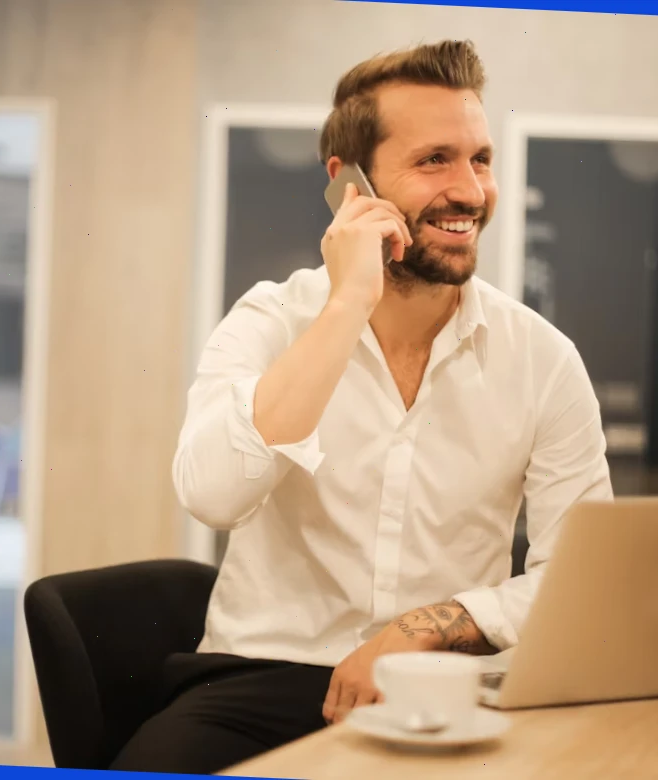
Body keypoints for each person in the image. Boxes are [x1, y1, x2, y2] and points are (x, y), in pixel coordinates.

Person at [111, 39, 613, 775]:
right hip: (258, 679)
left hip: (449, 687)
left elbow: (579, 577)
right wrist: (348, 302)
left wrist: (429, 628)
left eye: (480, 159)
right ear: (349, 183)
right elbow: (213, 497)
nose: (471, 190)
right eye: (434, 160)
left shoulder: (544, 359)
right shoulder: (271, 320)